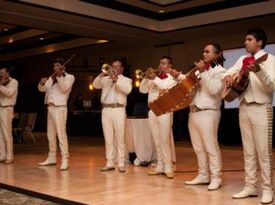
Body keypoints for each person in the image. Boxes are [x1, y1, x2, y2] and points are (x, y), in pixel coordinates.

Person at [224, 28, 275, 204]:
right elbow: (228, 72)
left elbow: (272, 86)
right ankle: (251, 186)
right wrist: (230, 77)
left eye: (249, 39)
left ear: (259, 42)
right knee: (248, 151)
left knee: (264, 152)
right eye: (245, 40)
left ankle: (268, 189)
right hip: (244, 107)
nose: (245, 42)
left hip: (262, 108)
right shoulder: (241, 60)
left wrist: (259, 71)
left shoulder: (270, 60)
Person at [184, 43, 226, 190]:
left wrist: (203, 73)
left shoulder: (221, 71)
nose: (204, 54)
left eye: (207, 52)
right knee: (198, 148)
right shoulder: (200, 71)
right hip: (194, 112)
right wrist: (180, 78)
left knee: (211, 146)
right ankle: (203, 175)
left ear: (217, 54)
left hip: (209, 112)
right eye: (203, 51)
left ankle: (216, 177)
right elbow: (190, 87)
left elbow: (215, 90)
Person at [139, 56, 181, 179]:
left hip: (164, 110)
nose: (161, 66)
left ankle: (168, 168)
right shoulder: (154, 78)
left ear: (170, 66)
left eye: (163, 63)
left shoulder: (172, 78)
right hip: (152, 110)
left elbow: (164, 87)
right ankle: (160, 166)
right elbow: (142, 90)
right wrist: (147, 77)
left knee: (164, 140)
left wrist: (154, 77)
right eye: (160, 63)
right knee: (157, 141)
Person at [93, 58, 132, 172]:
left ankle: (121, 162)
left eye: (117, 66)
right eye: (113, 66)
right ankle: (110, 162)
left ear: (121, 68)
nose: (114, 68)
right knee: (108, 138)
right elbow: (95, 85)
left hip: (119, 109)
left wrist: (116, 80)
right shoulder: (105, 79)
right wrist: (102, 73)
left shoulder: (126, 80)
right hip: (106, 110)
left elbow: (127, 90)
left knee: (120, 138)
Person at [38, 57, 75, 171]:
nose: (55, 68)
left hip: (60, 108)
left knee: (61, 134)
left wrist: (59, 76)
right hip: (50, 108)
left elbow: (64, 88)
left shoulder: (69, 77)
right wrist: (41, 83)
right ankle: (52, 157)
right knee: (50, 135)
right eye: (54, 66)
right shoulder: (51, 77)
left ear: (63, 66)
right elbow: (42, 90)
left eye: (58, 65)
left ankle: (65, 159)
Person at [0, 67, 18, 164]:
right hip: (0, 108)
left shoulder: (14, 82)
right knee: (0, 134)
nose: (1, 74)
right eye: (0, 73)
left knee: (7, 133)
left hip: (7, 108)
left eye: (2, 72)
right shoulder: (1, 82)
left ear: (7, 73)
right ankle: (2, 154)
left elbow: (9, 93)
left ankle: (10, 156)